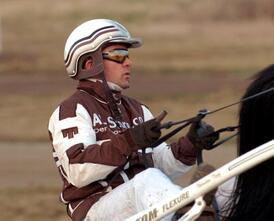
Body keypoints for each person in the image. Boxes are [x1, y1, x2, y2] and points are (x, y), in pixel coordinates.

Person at [48, 18, 219, 221]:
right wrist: (129, 141)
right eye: (119, 55)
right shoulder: (72, 110)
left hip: (140, 204)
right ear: (90, 63)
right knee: (146, 180)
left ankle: (193, 210)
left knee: (225, 183)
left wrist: (190, 145)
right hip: (96, 209)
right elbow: (78, 170)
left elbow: (160, 164)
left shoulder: (137, 109)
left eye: (127, 55)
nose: (129, 62)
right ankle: (188, 213)